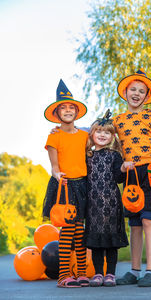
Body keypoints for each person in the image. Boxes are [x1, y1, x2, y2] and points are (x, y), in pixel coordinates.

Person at [113, 69, 151, 287]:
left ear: (146, 97)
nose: (136, 94)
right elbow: (96, 132)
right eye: (133, 90)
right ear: (125, 92)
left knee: (149, 220)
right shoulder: (118, 120)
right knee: (135, 223)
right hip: (131, 172)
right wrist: (68, 129)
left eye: (141, 91)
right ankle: (135, 270)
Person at [43, 79, 89, 288]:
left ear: (77, 112)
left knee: (80, 231)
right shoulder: (54, 136)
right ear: (57, 113)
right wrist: (58, 175)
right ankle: (63, 276)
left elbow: (102, 134)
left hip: (82, 186)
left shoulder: (85, 135)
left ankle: (80, 273)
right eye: (64, 107)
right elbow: (53, 166)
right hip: (64, 186)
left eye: (72, 107)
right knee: (67, 230)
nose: (68, 110)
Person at [84, 110, 135, 287]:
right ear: (92, 134)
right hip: (93, 206)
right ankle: (98, 273)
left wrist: (122, 168)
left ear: (112, 136)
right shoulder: (88, 155)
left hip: (111, 204)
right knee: (97, 243)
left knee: (111, 243)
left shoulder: (114, 155)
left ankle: (110, 274)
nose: (103, 135)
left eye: (107, 132)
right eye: (99, 131)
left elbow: (118, 179)